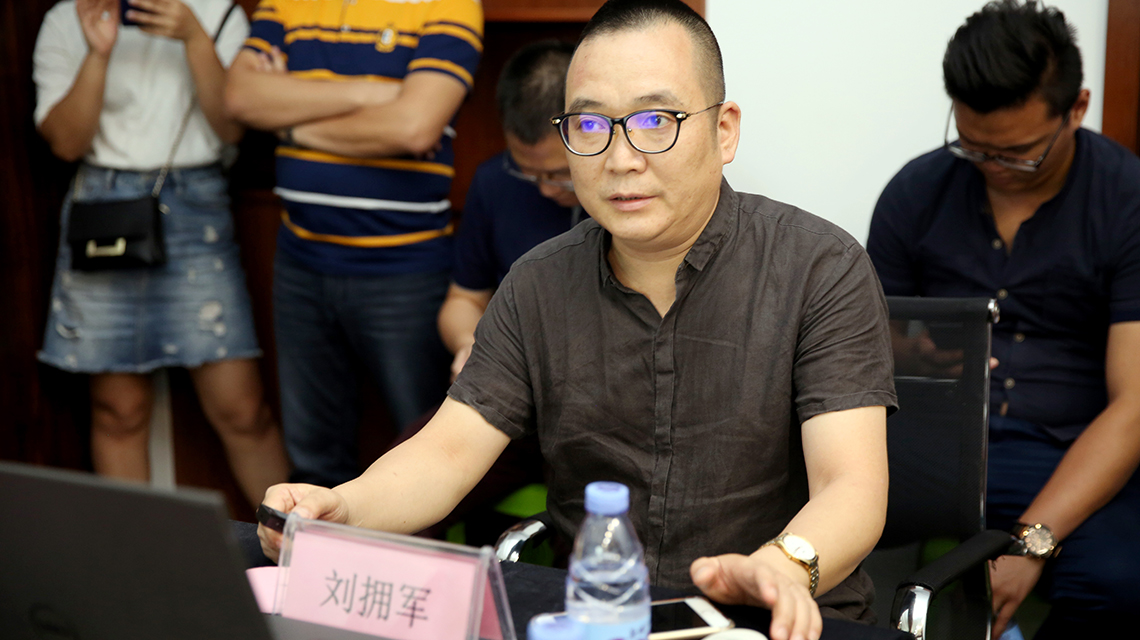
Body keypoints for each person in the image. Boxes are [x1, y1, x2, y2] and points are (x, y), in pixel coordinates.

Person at [260, 3, 895, 640]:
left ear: (724, 131)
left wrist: (781, 568)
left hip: (777, 618)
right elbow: (447, 452)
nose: (620, 159)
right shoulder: (538, 284)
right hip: (600, 620)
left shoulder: (819, 268)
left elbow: (850, 484)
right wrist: (342, 507)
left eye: (655, 120)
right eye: (590, 124)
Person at [866, 2, 1140, 637]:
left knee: (1118, 583)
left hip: (1074, 449)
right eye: (973, 146)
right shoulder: (916, 191)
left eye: (1018, 153)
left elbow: (1133, 406)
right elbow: (859, 343)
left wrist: (1032, 543)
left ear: (1077, 108)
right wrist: (912, 355)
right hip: (937, 445)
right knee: (817, 524)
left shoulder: (1126, 199)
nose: (992, 166)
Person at [33, 0, 290, 507]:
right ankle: (134, 556)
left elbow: (231, 129)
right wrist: (99, 53)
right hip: (104, 210)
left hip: (196, 208)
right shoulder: (67, 18)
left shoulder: (218, 13)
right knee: (119, 409)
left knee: (242, 410)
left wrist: (194, 37)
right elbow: (65, 143)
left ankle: (299, 542)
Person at [224, 0, 483, 488]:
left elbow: (413, 127)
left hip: (405, 272)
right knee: (314, 462)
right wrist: (370, 91)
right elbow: (239, 96)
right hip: (299, 264)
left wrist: (290, 121)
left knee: (428, 454)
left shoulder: (447, 5)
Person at [439, 39, 582, 379]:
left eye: (561, 174)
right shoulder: (495, 180)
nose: (546, 189)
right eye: (528, 173)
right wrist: (469, 344)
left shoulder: (633, 192)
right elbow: (464, 298)